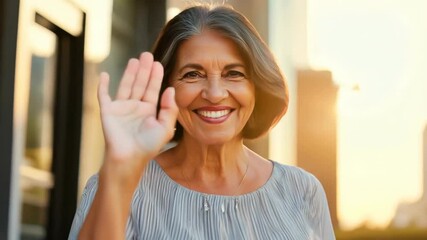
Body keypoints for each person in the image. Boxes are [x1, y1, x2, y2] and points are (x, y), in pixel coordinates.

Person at [69, 3, 335, 240]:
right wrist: (118, 170)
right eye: (193, 74)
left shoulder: (302, 191)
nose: (215, 94)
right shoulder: (117, 184)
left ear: (257, 87)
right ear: (166, 88)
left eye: (234, 73)